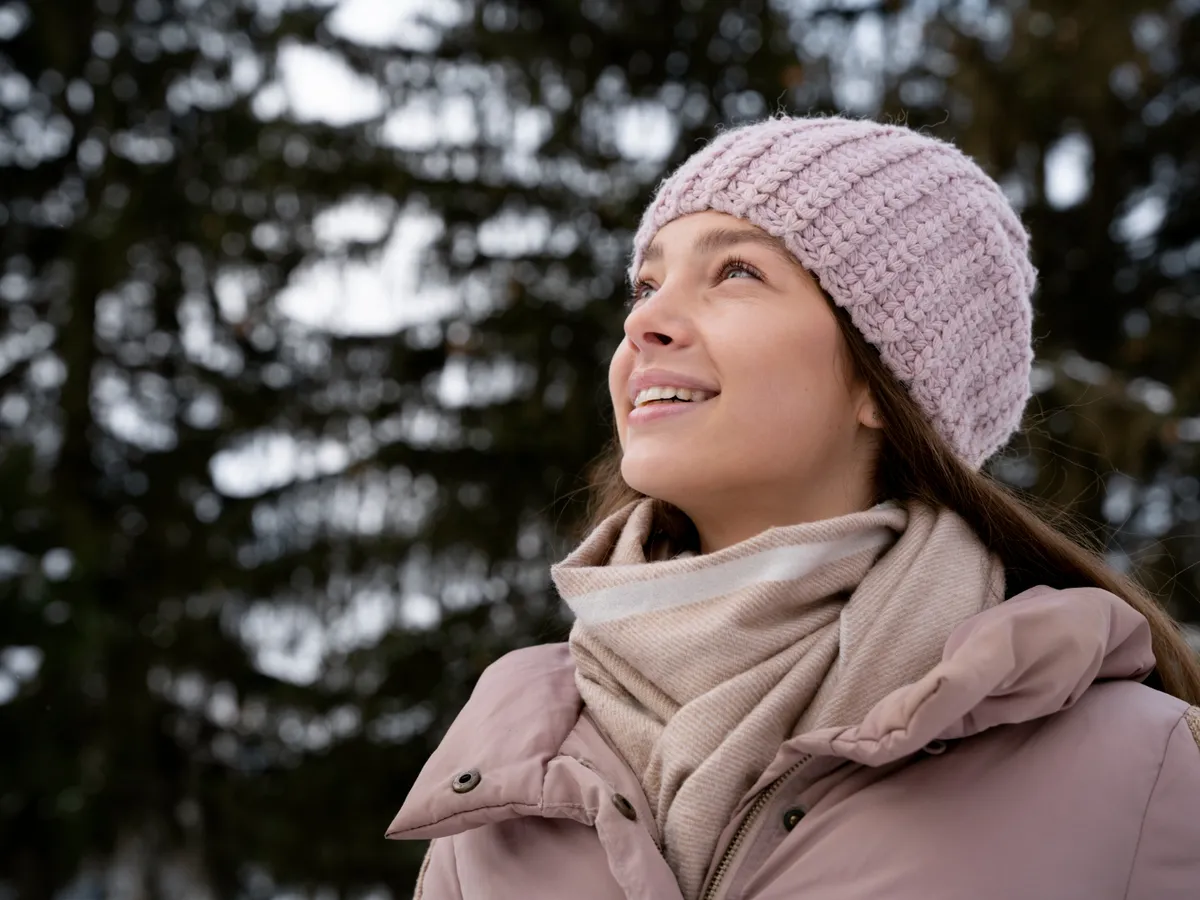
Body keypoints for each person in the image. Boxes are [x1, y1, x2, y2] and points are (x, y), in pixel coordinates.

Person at [384, 116, 1200, 900]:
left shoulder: (1138, 766)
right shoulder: (502, 778)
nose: (644, 321)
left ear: (883, 384)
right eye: (646, 283)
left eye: (737, 272)